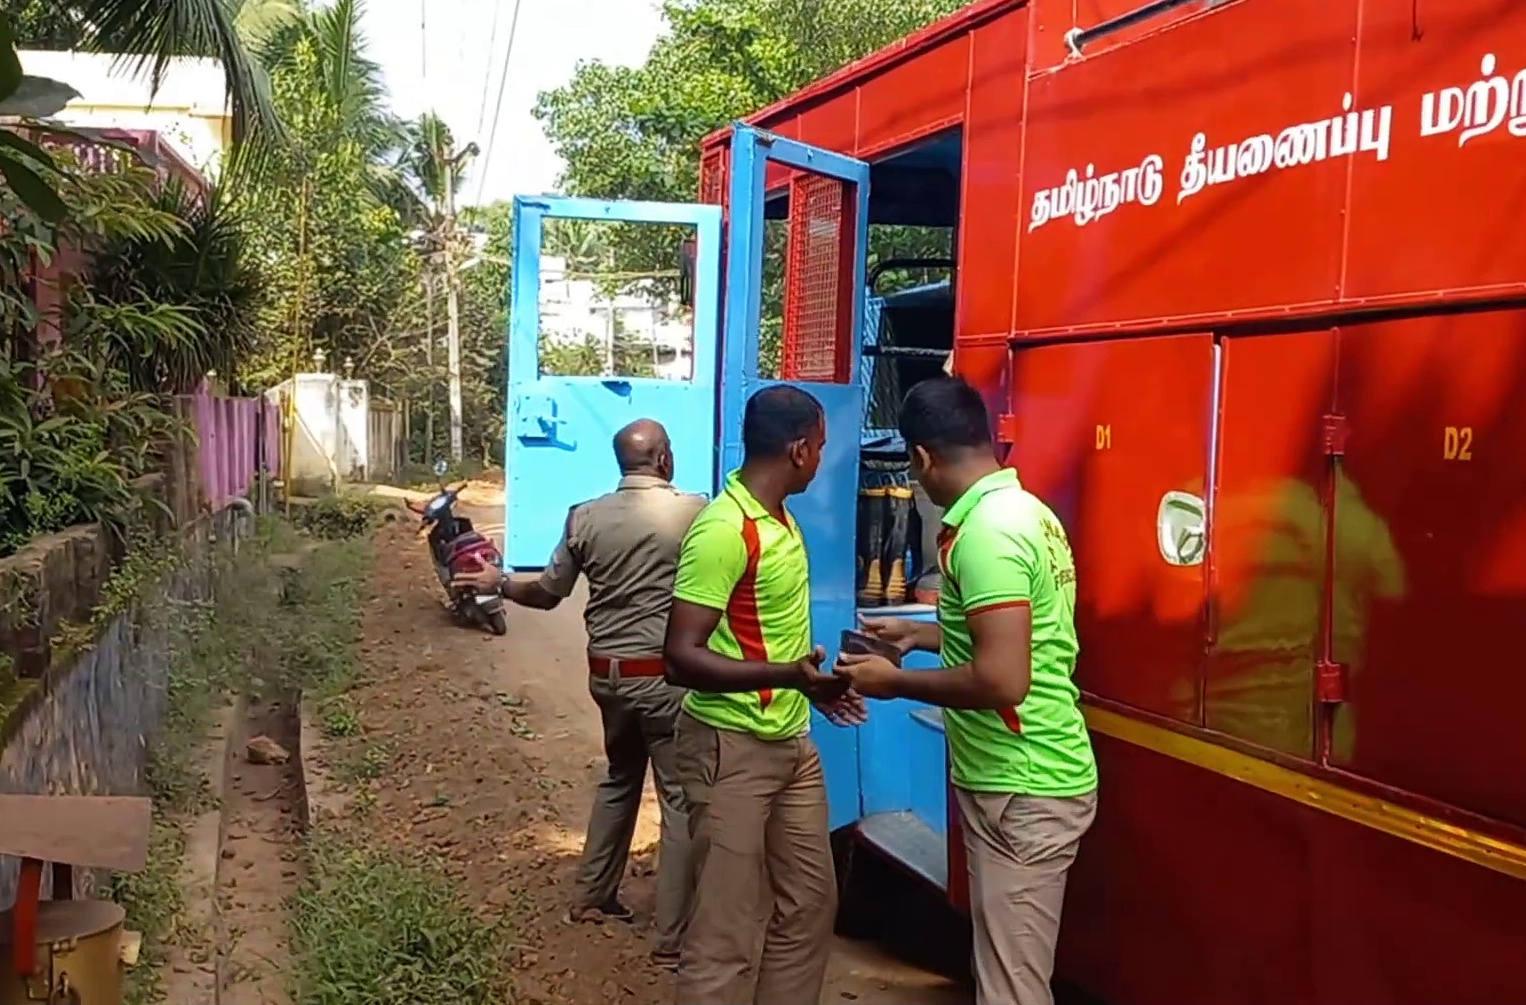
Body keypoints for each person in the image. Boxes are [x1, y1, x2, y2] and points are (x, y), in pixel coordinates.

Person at [838, 375, 1097, 1005]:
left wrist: (893, 682)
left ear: (922, 457)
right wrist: (919, 637)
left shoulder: (986, 534)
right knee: (1004, 970)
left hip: (1023, 782)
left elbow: (1004, 678)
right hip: (1020, 777)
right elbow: (1017, 637)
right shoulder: (1025, 511)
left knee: (1011, 988)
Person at [454, 418, 706, 966]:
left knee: (620, 778)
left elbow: (547, 594)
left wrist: (498, 582)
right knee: (679, 800)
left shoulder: (584, 516)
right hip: (662, 680)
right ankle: (671, 941)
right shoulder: (694, 513)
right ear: (664, 459)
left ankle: (592, 898)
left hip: (607, 676)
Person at [662, 384, 866, 1005]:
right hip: (730, 750)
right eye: (823, 448)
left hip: (790, 744)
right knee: (723, 929)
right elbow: (681, 657)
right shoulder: (724, 530)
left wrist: (815, 692)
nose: (823, 460)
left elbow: (765, 638)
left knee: (809, 904)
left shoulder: (779, 519)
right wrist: (788, 678)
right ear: (800, 450)